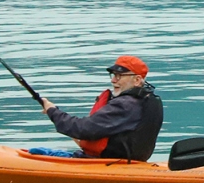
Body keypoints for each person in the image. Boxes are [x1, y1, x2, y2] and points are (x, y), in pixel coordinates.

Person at [30, 55, 163, 161]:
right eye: (113, 75)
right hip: (127, 162)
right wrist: (52, 111)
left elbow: (82, 129)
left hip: (109, 163)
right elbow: (88, 133)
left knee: (35, 153)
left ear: (137, 80)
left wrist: (52, 111)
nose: (113, 80)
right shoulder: (148, 101)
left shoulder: (125, 105)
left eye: (120, 76)